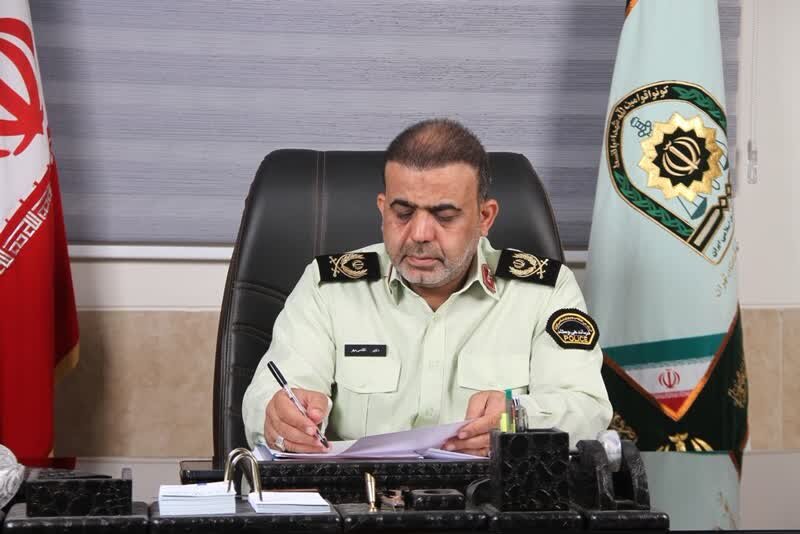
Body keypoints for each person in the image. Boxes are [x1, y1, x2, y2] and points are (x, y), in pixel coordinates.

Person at [242, 119, 611, 456]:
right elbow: (266, 398)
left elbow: (587, 410)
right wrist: (280, 418)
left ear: (485, 217)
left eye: (444, 216)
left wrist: (520, 419)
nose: (419, 234)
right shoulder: (329, 288)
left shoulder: (544, 292)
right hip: (355, 500)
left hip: (490, 500)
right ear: (383, 209)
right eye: (402, 213)